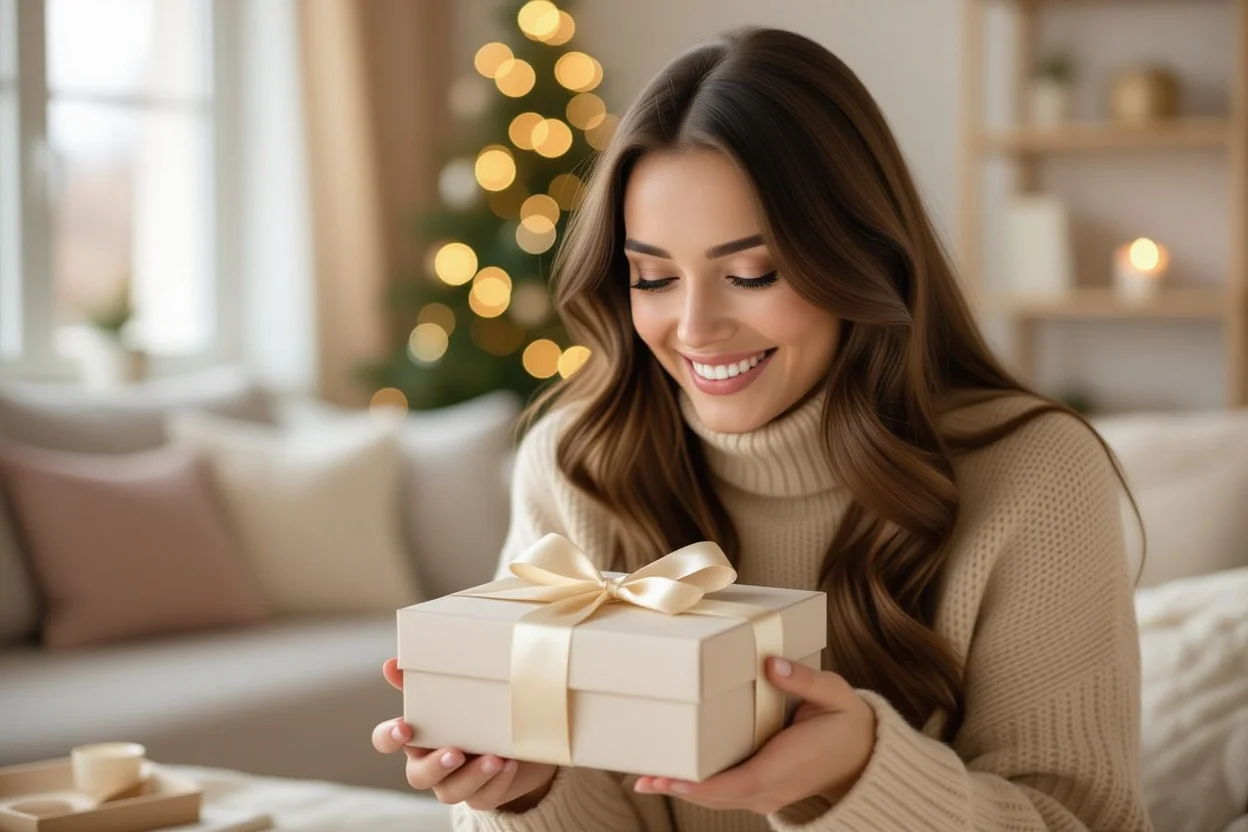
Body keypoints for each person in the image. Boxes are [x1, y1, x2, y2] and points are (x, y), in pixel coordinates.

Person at [371, 26, 1151, 832]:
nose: (696, 327)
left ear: (857, 257)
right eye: (654, 277)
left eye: (751, 274)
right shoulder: (576, 463)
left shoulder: (1033, 475)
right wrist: (526, 792)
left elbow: (1084, 821)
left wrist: (859, 780)